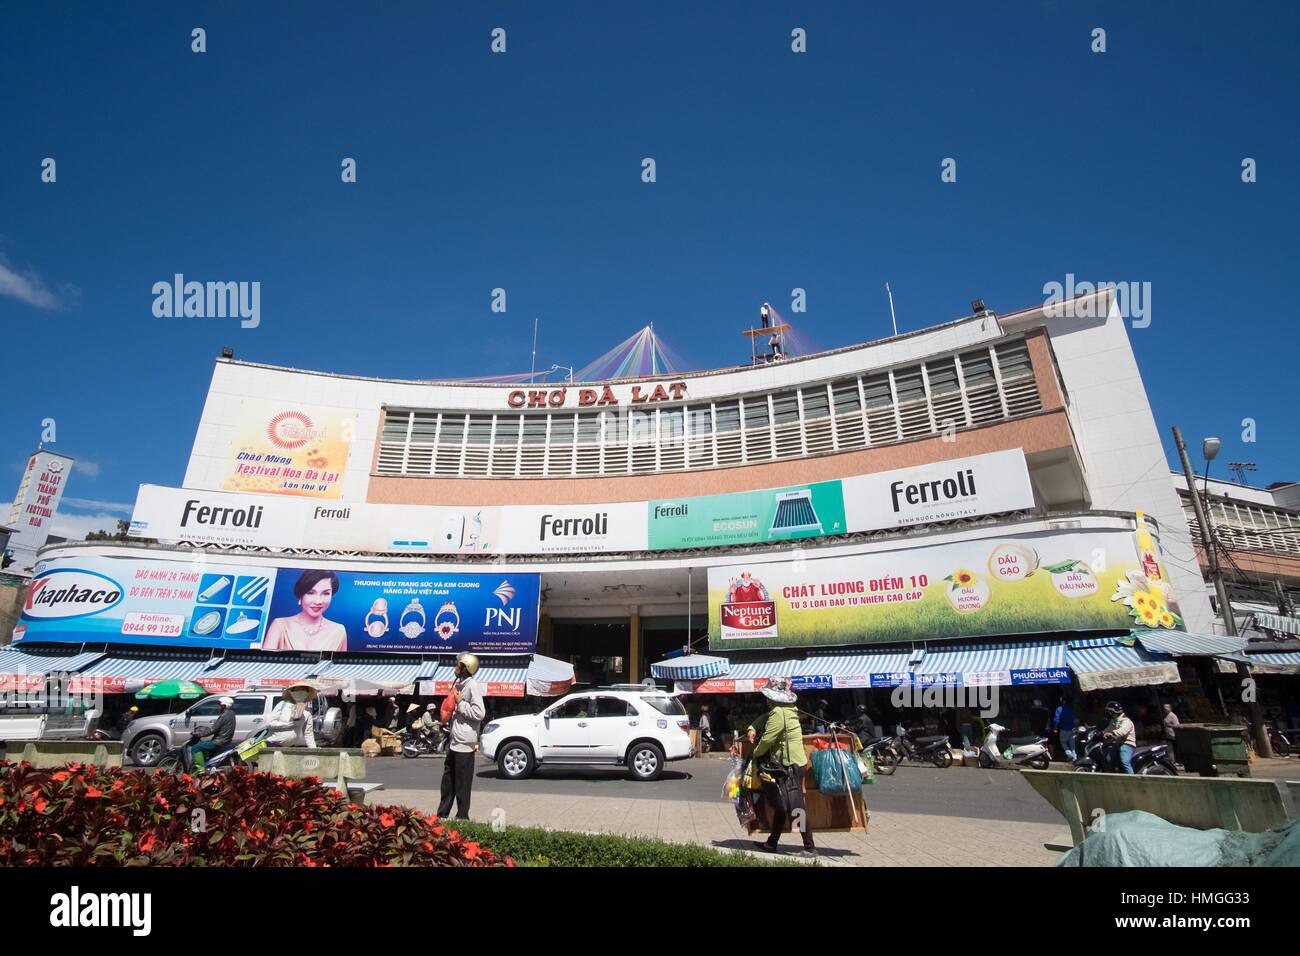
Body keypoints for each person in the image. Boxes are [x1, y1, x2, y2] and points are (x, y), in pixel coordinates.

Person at [745, 677, 815, 859]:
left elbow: (768, 739)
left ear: (773, 697)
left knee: (796, 807)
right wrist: (752, 727)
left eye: (768, 696)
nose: (766, 699)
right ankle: (771, 843)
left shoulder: (778, 712)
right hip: (790, 764)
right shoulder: (786, 709)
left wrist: (755, 753)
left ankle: (809, 847)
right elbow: (764, 719)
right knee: (781, 806)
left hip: (789, 766)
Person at [438, 653, 486, 820]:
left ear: (465, 668)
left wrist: (461, 704)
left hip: (465, 744)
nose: (455, 666)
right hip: (454, 741)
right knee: (447, 782)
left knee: (462, 785)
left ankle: (462, 817)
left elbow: (480, 713)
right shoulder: (460, 685)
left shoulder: (472, 686)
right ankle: (442, 814)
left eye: (457, 664)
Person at [262, 570, 348, 652]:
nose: (318, 601)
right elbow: (263, 665)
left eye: (325, 593)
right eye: (310, 593)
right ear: (300, 595)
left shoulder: (338, 631)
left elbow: (342, 667)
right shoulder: (280, 625)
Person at [190, 697, 237, 766]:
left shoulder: (224, 715)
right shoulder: (232, 713)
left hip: (218, 742)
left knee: (195, 748)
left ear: (224, 706)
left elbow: (212, 730)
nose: (218, 707)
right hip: (226, 740)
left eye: (219, 705)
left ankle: (201, 770)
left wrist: (199, 734)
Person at [1103, 701, 1137, 774]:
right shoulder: (1113, 721)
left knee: (1124, 762)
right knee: (1109, 760)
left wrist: (1112, 733)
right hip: (1117, 743)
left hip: (1127, 744)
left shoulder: (1126, 721)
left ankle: (1133, 780)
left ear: (1113, 712)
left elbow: (1122, 731)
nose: (1107, 713)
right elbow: (1108, 729)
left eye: (1109, 711)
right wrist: (1101, 733)